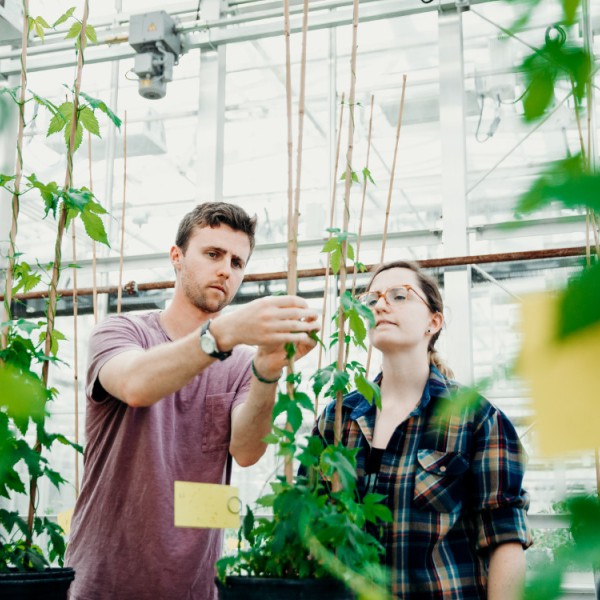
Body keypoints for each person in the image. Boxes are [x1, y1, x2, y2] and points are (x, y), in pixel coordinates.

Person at [66, 202, 319, 600]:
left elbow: (248, 450)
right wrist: (221, 334)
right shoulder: (121, 332)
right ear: (177, 257)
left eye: (237, 262)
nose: (225, 270)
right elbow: (136, 385)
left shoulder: (240, 364)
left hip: (195, 589)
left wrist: (268, 367)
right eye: (213, 254)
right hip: (104, 584)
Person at [314, 260, 531, 599]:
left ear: (434, 322)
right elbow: (309, 526)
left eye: (400, 295)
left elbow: (505, 540)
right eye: (372, 299)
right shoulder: (338, 418)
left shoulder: (476, 418)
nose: (381, 304)